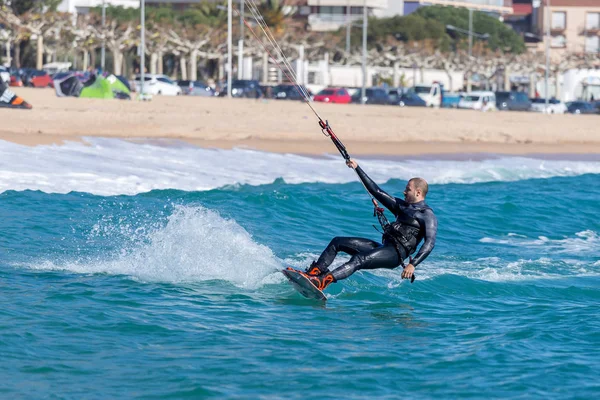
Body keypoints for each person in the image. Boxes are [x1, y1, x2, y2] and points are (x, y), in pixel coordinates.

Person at [301, 159, 438, 291]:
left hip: (396, 254)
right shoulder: (401, 206)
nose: (404, 192)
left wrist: (412, 264)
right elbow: (376, 191)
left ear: (418, 192)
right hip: (385, 247)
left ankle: (322, 282)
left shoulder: (427, 215)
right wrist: (357, 168)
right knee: (337, 242)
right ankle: (314, 273)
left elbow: (429, 243)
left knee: (358, 259)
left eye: (407, 189)